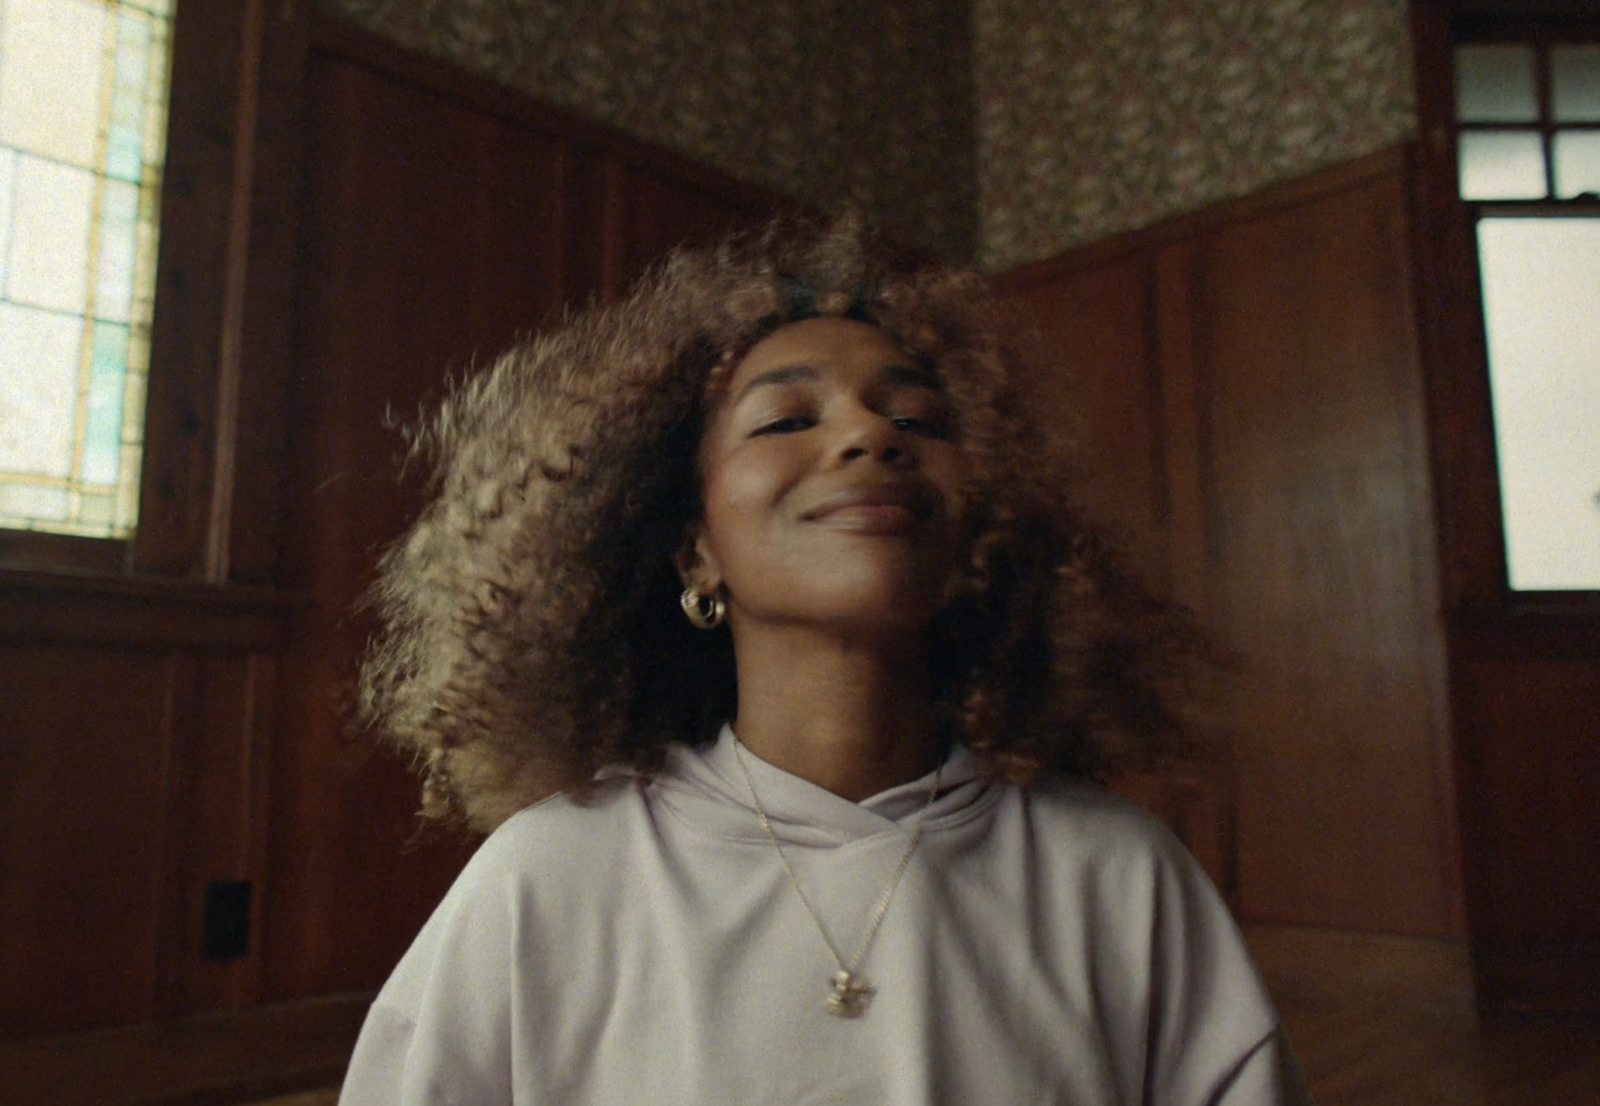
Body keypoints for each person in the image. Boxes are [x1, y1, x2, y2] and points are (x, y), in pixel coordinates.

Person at [343, 219, 1310, 1105]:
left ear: (978, 526)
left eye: (917, 420)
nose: (867, 434)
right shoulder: (549, 876)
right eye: (785, 420)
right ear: (695, 550)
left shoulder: (1120, 876)